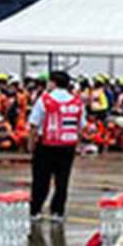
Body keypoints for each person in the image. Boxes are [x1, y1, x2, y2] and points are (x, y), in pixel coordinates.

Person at [28, 70, 85, 223]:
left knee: (41, 180)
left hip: (47, 144)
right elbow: (80, 126)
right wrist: (77, 145)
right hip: (67, 145)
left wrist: (31, 144)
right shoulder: (77, 102)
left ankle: (35, 210)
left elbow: (34, 124)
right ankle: (57, 212)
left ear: (53, 83)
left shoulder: (45, 100)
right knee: (62, 181)